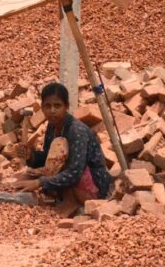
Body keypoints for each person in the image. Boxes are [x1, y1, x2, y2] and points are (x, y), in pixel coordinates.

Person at [14, 83, 112, 213]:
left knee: (39, 181)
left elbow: (74, 172)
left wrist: (39, 183)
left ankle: (70, 203)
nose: (52, 111)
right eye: (47, 106)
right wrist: (31, 155)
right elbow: (49, 159)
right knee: (24, 179)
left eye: (57, 106)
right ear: (42, 108)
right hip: (69, 175)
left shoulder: (76, 131)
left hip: (93, 184)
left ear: (67, 106)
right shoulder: (52, 126)